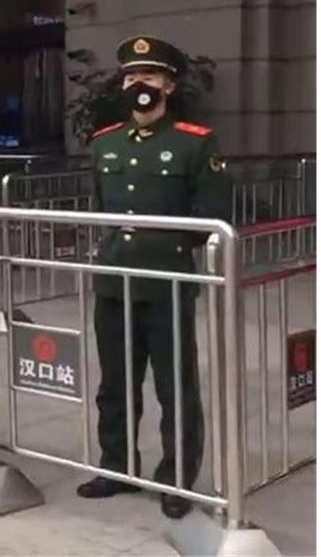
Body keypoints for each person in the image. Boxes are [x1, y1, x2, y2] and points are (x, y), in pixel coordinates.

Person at [78, 35, 231, 520]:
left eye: (146, 76)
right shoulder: (105, 143)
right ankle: (116, 467)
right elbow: (102, 210)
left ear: (167, 83)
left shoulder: (193, 142)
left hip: (165, 281)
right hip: (114, 280)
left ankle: (176, 480)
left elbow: (212, 217)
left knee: (174, 385)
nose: (136, 84)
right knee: (115, 382)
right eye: (129, 76)